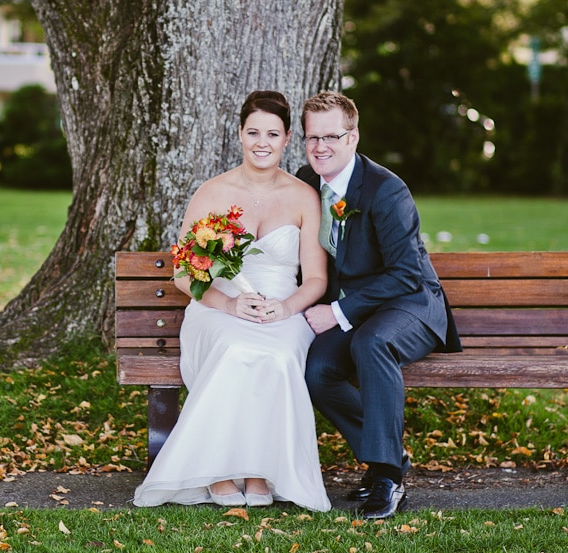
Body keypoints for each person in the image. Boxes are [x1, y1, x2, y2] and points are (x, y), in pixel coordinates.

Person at [133, 91, 331, 511]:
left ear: (287, 137)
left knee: (276, 356)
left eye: (272, 134)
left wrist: (286, 308)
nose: (262, 142)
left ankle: (260, 470)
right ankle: (219, 471)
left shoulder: (303, 197)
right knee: (235, 347)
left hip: (282, 307)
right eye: (253, 132)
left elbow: (315, 279)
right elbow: (184, 273)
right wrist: (228, 305)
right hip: (217, 308)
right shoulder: (212, 192)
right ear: (240, 134)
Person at [298, 91, 461, 519]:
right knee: (317, 371)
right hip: (358, 310)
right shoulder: (305, 181)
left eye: (331, 136)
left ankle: (387, 477)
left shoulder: (386, 190)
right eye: (312, 137)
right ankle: (387, 457)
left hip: (411, 305)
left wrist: (334, 313)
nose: (320, 147)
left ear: (353, 137)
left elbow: (407, 274)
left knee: (370, 344)